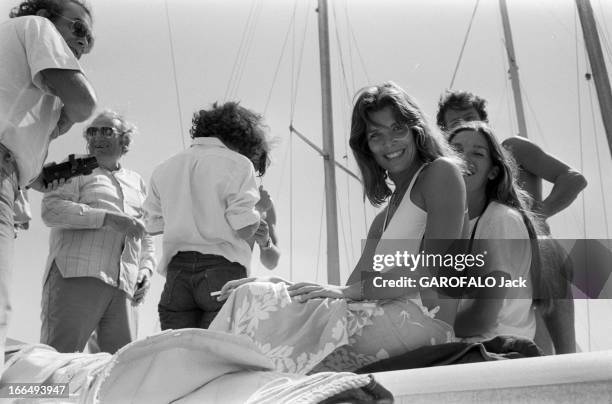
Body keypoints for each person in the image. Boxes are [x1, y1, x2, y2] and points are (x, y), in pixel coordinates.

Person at [211, 82, 467, 374]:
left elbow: (435, 267)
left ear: (416, 130)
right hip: (381, 316)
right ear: (366, 147)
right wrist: (281, 287)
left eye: (398, 129)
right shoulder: (381, 221)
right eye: (376, 135)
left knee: (263, 318)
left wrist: (343, 292)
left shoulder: (440, 173)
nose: (389, 143)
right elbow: (341, 292)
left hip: (422, 322)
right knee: (251, 295)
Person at [436, 90, 579, 354]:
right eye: (453, 124)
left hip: (534, 264)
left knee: (549, 249)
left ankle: (569, 358)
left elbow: (573, 178)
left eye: (468, 118)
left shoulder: (513, 149)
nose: (463, 125)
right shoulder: (451, 172)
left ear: (483, 119)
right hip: (496, 272)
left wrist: (537, 216)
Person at [0, 0, 97, 372]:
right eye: (79, 29)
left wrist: (35, 170)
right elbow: (83, 102)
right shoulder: (35, 28)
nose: (85, 43)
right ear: (44, 17)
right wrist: (67, 117)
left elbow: (31, 170)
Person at [143, 101, 270, 330]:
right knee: (215, 357)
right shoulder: (239, 164)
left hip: (177, 274)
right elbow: (244, 227)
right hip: (223, 271)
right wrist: (259, 217)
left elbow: (153, 225)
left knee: (178, 354)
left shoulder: (164, 167)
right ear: (242, 137)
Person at [40, 110, 154, 354]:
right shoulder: (74, 169)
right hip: (77, 274)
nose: (97, 136)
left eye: (106, 130)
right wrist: (106, 218)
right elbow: (51, 210)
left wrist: (146, 269)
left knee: (117, 370)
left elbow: (145, 233)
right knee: (59, 362)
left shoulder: (137, 181)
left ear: (125, 141)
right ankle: (42, 395)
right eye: (91, 131)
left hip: (124, 286)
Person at [448, 121, 546, 340]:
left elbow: (483, 318)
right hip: (463, 346)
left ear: (493, 172)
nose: (464, 158)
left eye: (478, 153)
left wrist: (423, 331)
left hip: (495, 350)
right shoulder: (445, 227)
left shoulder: (501, 220)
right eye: (455, 150)